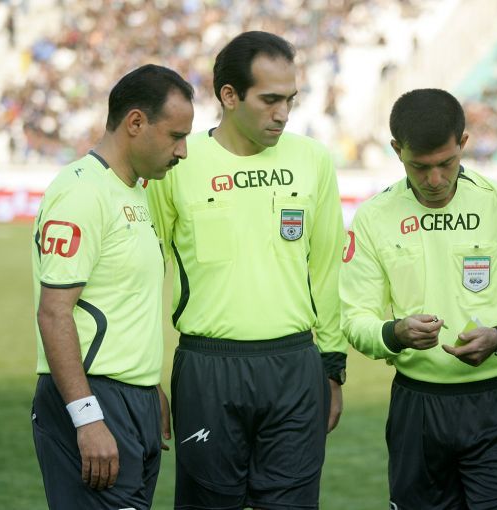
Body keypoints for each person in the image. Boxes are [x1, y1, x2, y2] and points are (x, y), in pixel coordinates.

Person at [146, 31, 347, 509]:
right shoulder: (179, 163)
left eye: (290, 99)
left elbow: (327, 268)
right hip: (207, 369)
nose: (283, 113)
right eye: (270, 100)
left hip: (295, 368)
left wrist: (332, 367)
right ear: (230, 96)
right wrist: (146, 376)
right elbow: (146, 277)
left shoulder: (313, 160)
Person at [340, 88, 497, 510]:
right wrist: (395, 333)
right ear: (397, 150)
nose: (435, 179)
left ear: (464, 144)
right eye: (420, 167)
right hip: (416, 406)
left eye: (447, 163)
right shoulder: (373, 217)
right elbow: (354, 318)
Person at [31, 64, 194, 509]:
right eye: (176, 136)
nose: (183, 151)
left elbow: (124, 300)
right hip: (92, 399)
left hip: (134, 401)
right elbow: (54, 312)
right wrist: (86, 418)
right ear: (136, 122)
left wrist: (148, 385)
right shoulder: (82, 193)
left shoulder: (135, 191)